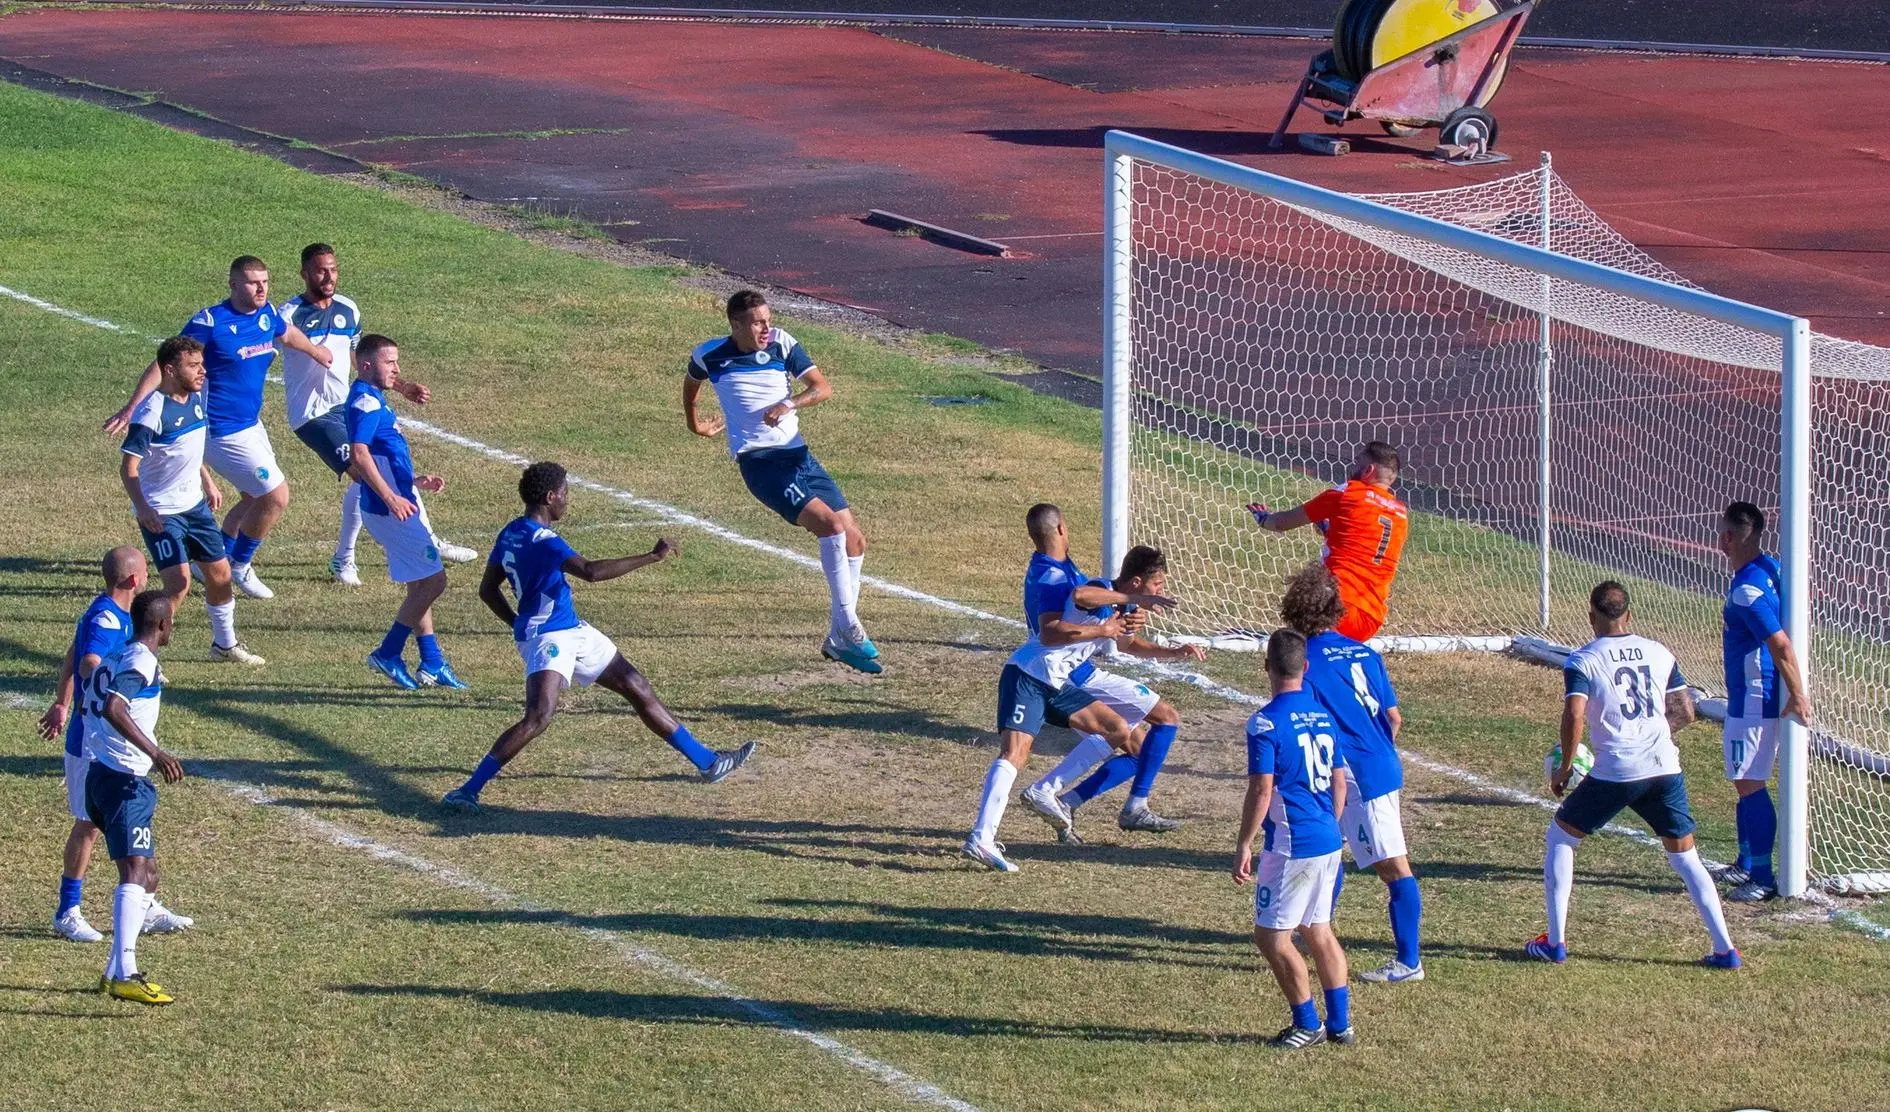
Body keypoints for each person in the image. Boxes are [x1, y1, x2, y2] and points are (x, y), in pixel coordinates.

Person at [443, 462, 755, 810]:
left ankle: (708, 762)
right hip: (551, 639)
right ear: (550, 497)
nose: (567, 500)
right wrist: (652, 556)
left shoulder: (511, 532)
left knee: (635, 685)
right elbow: (591, 572)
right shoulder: (546, 542)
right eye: (565, 493)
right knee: (539, 716)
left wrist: (518, 624)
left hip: (570, 630)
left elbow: (488, 590)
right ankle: (468, 790)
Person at [1526, 581, 1740, 968]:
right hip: (1663, 767)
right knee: (1686, 857)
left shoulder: (1583, 659)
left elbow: (1574, 713)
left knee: (1561, 836)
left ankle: (1554, 942)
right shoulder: (1660, 652)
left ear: (1591, 616)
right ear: (1630, 616)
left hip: (1616, 770)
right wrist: (1649, 736)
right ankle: (1725, 949)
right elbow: (1686, 711)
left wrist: (1565, 766)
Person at [105, 255, 337, 600]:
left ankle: (210, 561)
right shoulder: (211, 322)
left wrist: (316, 351)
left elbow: (286, 333)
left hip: (250, 424)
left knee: (250, 497)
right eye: (253, 282)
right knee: (275, 495)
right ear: (233, 285)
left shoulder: (266, 313)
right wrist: (132, 405)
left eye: (266, 281)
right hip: (219, 429)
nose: (261, 288)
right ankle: (240, 565)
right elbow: (165, 362)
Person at [964, 506, 1175, 872]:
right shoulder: (1049, 574)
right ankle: (981, 838)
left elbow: (1092, 604)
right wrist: (1114, 620)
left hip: (1058, 680)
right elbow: (1053, 629)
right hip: (1030, 675)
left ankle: (1048, 792)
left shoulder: (1064, 568)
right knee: (1015, 753)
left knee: (1118, 730)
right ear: (1061, 527)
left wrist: (1126, 617)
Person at [685, 290, 877, 674]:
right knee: (831, 526)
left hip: (800, 456)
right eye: (757, 322)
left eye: (768, 320)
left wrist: (790, 404)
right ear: (736, 324)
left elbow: (822, 388)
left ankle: (838, 638)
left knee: (855, 539)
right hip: (762, 464)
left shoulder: (781, 343)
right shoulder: (709, 354)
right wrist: (697, 424)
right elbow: (691, 386)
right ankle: (848, 627)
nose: (766, 328)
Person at [277, 242, 477, 586]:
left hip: (345, 406)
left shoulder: (348, 310)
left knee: (385, 465)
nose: (329, 276)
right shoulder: (289, 314)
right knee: (363, 473)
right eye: (321, 270)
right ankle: (344, 559)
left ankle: (426, 539)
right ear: (305, 273)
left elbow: (361, 360)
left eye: (334, 269)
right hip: (313, 415)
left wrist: (400, 386)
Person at [37, 548, 194, 942]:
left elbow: (73, 655)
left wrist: (62, 700)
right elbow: (87, 660)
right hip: (93, 742)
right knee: (89, 825)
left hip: (104, 736)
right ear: (133, 580)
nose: (147, 575)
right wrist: (105, 688)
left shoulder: (120, 616)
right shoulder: (107, 618)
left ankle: (144, 904)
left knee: (128, 822)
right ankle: (68, 910)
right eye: (144, 570)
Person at [1279, 563, 1423, 984]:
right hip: (1373, 765)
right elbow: (1393, 718)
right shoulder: (1365, 652)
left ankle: (1409, 961)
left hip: (1355, 775)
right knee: (1331, 852)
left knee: (1393, 866)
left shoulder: (1307, 663)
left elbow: (1306, 720)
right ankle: (1317, 935)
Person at [1015, 526, 1205, 839]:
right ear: (1136, 582)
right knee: (1166, 717)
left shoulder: (1127, 606)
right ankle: (1134, 806)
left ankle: (1069, 802)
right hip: (1071, 679)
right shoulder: (1101, 588)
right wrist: (1132, 599)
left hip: (1084, 674)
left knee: (1141, 751)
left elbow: (1129, 647)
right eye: (1156, 585)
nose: (1160, 591)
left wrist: (1174, 651)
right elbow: (1081, 595)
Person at [1234, 629, 1353, 1049]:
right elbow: (1340, 783)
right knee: (1318, 928)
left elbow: (1262, 790)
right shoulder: (1324, 716)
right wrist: (1329, 826)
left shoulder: (1265, 722)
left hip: (1292, 844)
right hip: (1328, 837)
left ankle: (1308, 1024)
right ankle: (1341, 1024)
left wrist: (1245, 843)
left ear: (1267, 667)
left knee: (1272, 937)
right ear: (1305, 668)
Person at [118, 337, 264, 665]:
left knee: (220, 573)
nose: (202, 371)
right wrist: (143, 508)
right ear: (170, 370)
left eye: (202, 364)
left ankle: (224, 646)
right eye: (194, 366)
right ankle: (138, 654)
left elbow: (190, 447)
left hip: (194, 506)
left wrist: (207, 481)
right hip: (162, 513)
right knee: (179, 585)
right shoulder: (152, 413)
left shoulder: (194, 399)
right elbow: (129, 468)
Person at [81, 590, 186, 1005]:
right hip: (122, 780)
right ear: (162, 625)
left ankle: (112, 970)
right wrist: (155, 753)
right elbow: (114, 707)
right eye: (172, 621)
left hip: (105, 775)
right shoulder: (140, 661)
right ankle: (126, 971)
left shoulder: (119, 655)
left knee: (149, 874)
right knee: (136, 872)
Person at [347, 334, 467, 690]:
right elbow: (360, 455)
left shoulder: (374, 397)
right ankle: (388, 652)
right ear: (367, 365)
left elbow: (379, 456)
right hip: (392, 512)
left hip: (396, 502)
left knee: (420, 583)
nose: (397, 370)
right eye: (390, 363)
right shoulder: (365, 404)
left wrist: (413, 481)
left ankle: (431, 662)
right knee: (435, 581)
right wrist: (391, 498)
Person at [1715, 501, 1812, 903]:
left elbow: (1781, 644)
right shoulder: (1768, 569)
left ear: (1729, 538)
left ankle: (1762, 876)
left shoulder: (1747, 591)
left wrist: (1799, 695)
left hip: (1754, 698)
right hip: (1754, 694)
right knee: (1743, 779)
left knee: (1750, 783)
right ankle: (1745, 861)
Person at [1248, 442, 1408, 643]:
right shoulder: (1400, 513)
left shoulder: (1348, 492)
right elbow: (1365, 546)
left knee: (1296, 660)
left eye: (1357, 462)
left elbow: (1281, 523)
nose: (1353, 467)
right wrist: (1330, 531)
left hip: (1333, 605)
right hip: (1371, 618)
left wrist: (1263, 518)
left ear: (1368, 470)